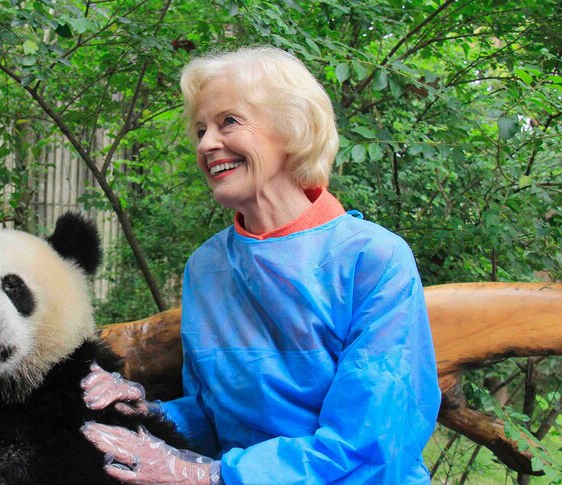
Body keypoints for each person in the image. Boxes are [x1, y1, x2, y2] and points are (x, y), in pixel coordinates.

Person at [79, 46, 441, 484]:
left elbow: (371, 446)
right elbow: (215, 416)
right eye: (199, 130)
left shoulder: (372, 259)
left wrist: (205, 477)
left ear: (292, 129)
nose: (207, 144)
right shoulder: (207, 266)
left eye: (228, 121)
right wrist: (149, 412)